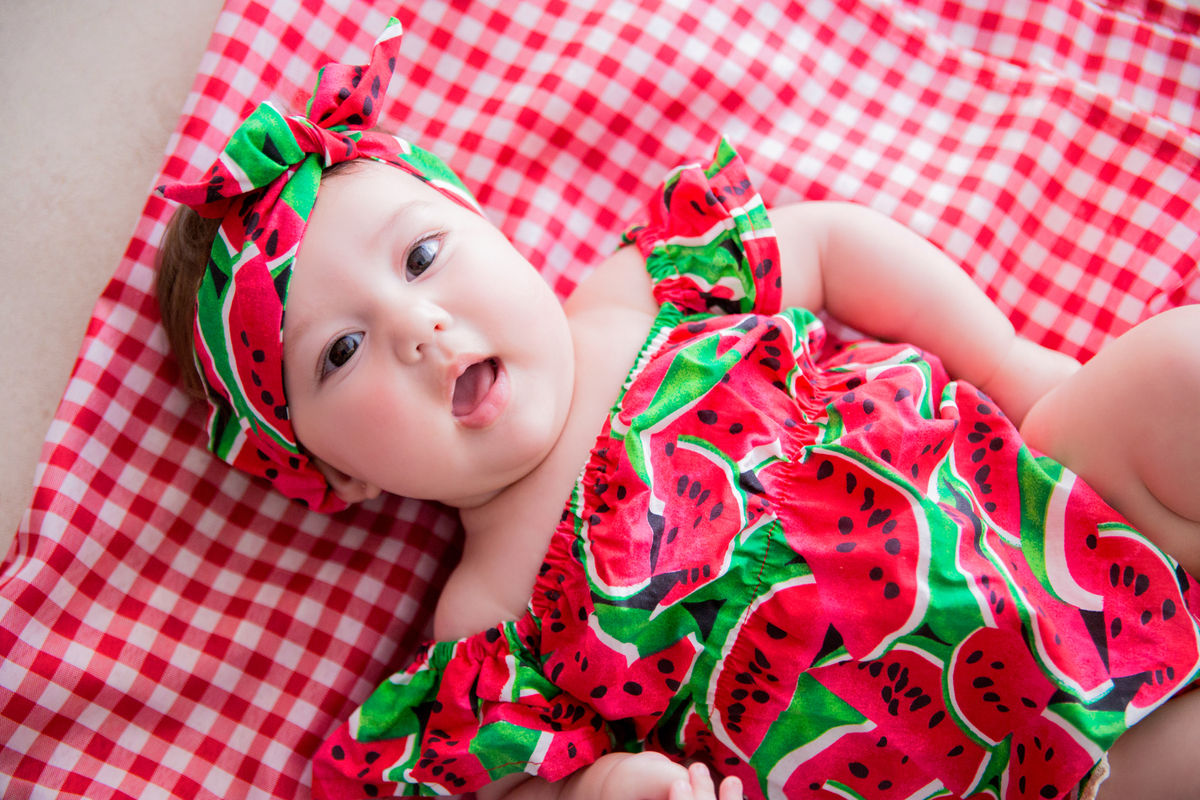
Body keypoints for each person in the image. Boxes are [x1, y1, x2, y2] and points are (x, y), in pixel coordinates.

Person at [155, 19, 1200, 800]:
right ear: (335, 472)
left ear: (492, 226)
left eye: (424, 256)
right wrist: (600, 789)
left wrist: (1017, 369)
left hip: (1045, 505)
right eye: (340, 352)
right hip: (972, 768)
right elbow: (517, 778)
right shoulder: (487, 614)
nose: (419, 326)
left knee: (1174, 372)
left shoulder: (648, 286)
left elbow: (830, 245)